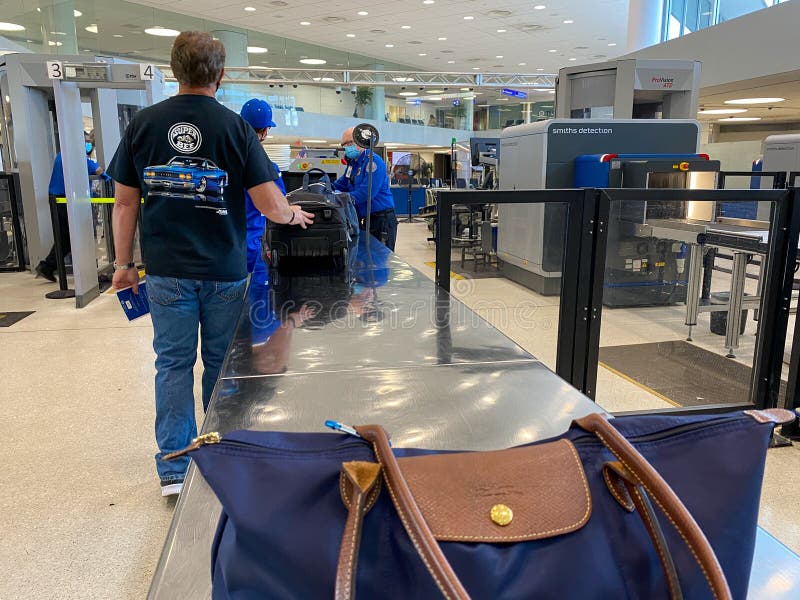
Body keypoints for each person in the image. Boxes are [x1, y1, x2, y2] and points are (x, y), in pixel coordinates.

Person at [107, 31, 313, 497]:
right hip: (224, 271)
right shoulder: (234, 128)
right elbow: (269, 204)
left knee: (173, 363)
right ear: (220, 76)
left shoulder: (143, 125)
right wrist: (293, 213)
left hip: (165, 272)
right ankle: (221, 453)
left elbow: (124, 204)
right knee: (222, 365)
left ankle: (175, 469)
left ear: (174, 70)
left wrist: (123, 264)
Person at [35, 135, 106, 282]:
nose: (88, 145)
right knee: (76, 235)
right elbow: (101, 172)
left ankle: (47, 266)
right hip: (66, 201)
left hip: (57, 199)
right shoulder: (80, 158)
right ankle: (83, 271)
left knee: (65, 237)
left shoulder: (62, 155)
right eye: (87, 143)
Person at [239, 98, 285, 284]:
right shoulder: (266, 167)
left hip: (226, 250)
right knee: (259, 307)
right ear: (265, 131)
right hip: (255, 247)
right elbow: (278, 207)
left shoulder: (225, 160)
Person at [333, 126, 397, 251]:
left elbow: (366, 193)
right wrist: (322, 187)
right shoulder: (353, 163)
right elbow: (342, 183)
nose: (346, 147)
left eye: (349, 143)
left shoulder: (373, 162)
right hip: (365, 219)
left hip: (382, 220)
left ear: (360, 141)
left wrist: (341, 198)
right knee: (366, 257)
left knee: (380, 259)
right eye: (344, 144)